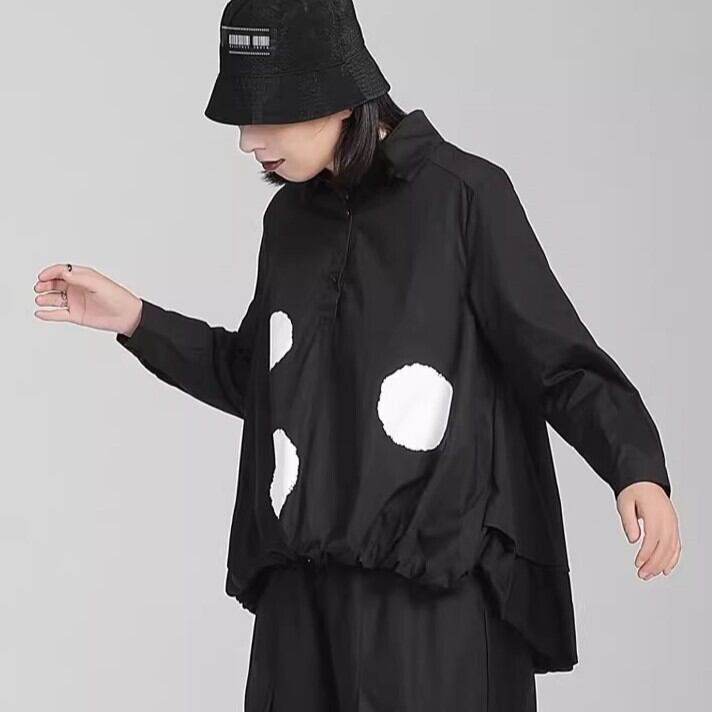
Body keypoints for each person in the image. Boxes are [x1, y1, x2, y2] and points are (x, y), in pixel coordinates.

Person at [33, 1, 681, 710]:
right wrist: (135, 319)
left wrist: (634, 467)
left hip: (432, 601)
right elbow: (261, 379)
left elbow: (556, 357)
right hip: (299, 603)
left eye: (267, 116)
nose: (248, 141)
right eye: (242, 119)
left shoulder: (463, 198)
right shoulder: (290, 220)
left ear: (340, 100)